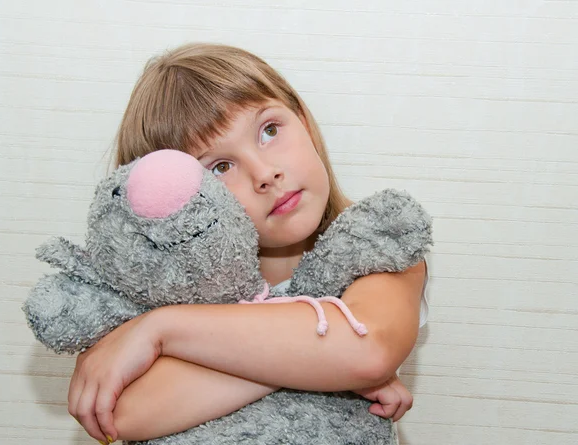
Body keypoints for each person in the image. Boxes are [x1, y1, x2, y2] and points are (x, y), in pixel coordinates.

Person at [67, 43, 428, 444]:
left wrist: (162, 330)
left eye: (269, 130)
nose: (265, 174)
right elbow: (122, 415)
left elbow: (368, 350)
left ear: (303, 119)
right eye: (220, 167)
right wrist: (322, 366)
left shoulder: (379, 244)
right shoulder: (166, 289)